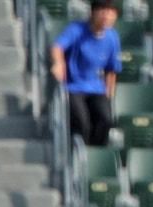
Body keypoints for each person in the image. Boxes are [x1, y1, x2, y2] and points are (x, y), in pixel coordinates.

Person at [51, 0, 121, 148]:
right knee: (82, 124)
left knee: (106, 120)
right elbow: (57, 47)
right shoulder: (76, 29)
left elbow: (112, 69)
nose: (107, 16)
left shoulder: (112, 37)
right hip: (74, 87)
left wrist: (109, 92)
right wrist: (59, 63)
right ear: (92, 13)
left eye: (110, 12)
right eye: (103, 11)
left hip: (96, 87)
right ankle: (77, 155)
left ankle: (95, 154)